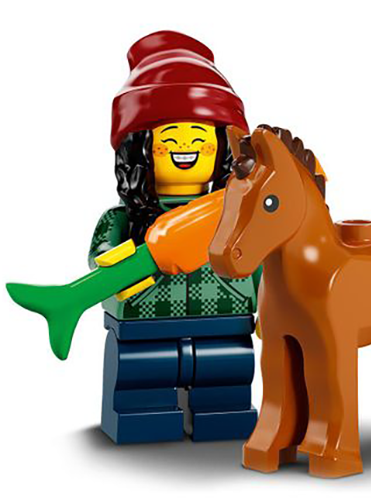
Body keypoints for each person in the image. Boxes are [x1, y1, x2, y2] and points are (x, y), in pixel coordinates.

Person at [88, 31, 260, 444]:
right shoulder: (125, 219)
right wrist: (112, 264)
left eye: (200, 138)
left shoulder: (237, 217)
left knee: (225, 380)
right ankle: (141, 415)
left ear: (223, 149)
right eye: (170, 139)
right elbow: (101, 255)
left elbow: (261, 259)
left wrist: (269, 299)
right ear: (139, 150)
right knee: (142, 379)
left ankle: (223, 414)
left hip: (225, 321)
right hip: (146, 325)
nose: (186, 145)